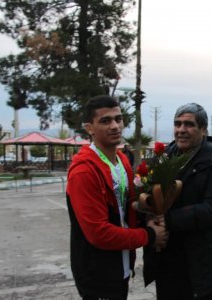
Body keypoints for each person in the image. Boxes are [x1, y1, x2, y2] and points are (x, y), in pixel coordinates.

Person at [66, 95, 168, 300]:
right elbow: (99, 233)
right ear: (89, 128)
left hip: (121, 265)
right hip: (96, 273)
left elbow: (127, 208)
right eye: (105, 121)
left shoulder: (120, 160)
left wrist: (148, 216)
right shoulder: (84, 172)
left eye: (118, 119)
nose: (115, 126)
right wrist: (149, 235)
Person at [143, 103, 212, 300]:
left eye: (189, 124)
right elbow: (148, 194)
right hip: (169, 265)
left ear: (203, 130)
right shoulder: (163, 159)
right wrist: (150, 220)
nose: (181, 130)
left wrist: (168, 219)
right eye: (177, 124)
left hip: (205, 270)